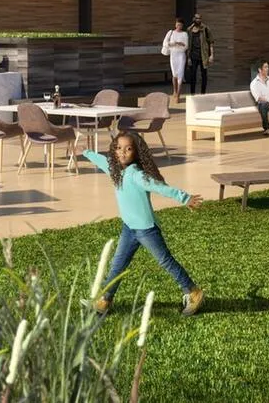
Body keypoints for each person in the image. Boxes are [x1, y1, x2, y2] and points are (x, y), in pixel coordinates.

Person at [85, 131, 205, 316]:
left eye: (128, 149)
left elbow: (160, 188)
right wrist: (86, 152)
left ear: (136, 152)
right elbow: (102, 161)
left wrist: (184, 198)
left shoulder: (137, 175)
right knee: (117, 265)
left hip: (146, 230)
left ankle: (193, 292)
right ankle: (104, 301)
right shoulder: (115, 171)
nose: (122, 152)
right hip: (129, 228)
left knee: (165, 261)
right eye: (118, 148)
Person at [185, 13, 214, 96]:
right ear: (194, 19)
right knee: (193, 75)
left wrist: (211, 55)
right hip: (193, 55)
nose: (198, 20)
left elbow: (211, 42)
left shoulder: (205, 29)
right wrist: (188, 57)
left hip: (203, 55)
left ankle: (203, 93)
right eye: (197, 18)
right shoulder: (189, 30)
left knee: (204, 75)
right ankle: (192, 94)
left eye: (200, 18)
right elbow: (188, 44)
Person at [163, 18, 189, 104]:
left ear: (182, 26)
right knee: (174, 74)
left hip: (181, 55)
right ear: (175, 24)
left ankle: (178, 94)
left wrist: (181, 44)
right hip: (173, 55)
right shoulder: (171, 32)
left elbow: (186, 46)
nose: (179, 26)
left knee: (180, 74)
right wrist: (173, 43)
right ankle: (175, 90)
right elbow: (165, 43)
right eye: (177, 24)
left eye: (180, 25)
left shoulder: (184, 34)